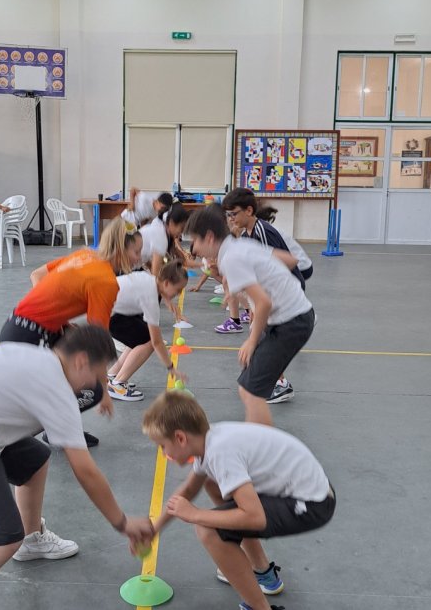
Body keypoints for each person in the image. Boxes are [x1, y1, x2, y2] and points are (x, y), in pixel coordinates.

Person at [0, 325, 154, 610]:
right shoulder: (58, 392)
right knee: (3, 539)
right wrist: (123, 523)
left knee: (34, 459)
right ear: (81, 361)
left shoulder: (30, 353)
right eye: (97, 373)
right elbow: (85, 471)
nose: (94, 384)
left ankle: (31, 541)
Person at [0, 217, 143, 447]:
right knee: (91, 390)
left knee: (43, 378)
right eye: (136, 252)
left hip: (17, 324)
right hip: (33, 336)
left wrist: (53, 315)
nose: (139, 258)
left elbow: (37, 275)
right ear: (121, 250)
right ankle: (18, 433)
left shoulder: (85, 255)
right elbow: (97, 343)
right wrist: (105, 392)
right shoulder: (106, 282)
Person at [142, 391, 335, 610]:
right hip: (305, 491)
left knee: (208, 530)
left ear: (180, 438)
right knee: (212, 483)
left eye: (162, 446)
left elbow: (254, 518)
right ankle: (262, 572)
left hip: (311, 504)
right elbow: (187, 490)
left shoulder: (220, 453)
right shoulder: (209, 439)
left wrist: (195, 514)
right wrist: (154, 529)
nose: (163, 452)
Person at [186, 203, 315, 426]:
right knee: (247, 387)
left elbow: (263, 302)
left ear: (209, 237)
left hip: (291, 322)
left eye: (195, 241)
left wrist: (252, 341)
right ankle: (258, 439)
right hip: (294, 315)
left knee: (250, 392)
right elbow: (290, 260)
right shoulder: (240, 244)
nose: (194, 249)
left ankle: (261, 444)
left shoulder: (231, 258)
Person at [218, 188, 311, 404]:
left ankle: (280, 383)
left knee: (268, 339)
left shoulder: (262, 232)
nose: (231, 219)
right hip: (272, 295)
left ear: (249, 211)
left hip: (286, 294)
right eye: (228, 215)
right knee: (263, 335)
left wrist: (260, 304)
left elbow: (280, 265)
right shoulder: (247, 234)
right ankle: (272, 380)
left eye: (234, 214)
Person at [106, 260, 189, 402]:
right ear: (167, 283)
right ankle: (117, 385)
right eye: (178, 290)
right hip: (108, 314)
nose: (179, 293)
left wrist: (168, 299)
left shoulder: (150, 279)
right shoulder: (150, 296)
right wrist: (171, 368)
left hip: (111, 310)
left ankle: (113, 375)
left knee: (141, 335)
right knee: (149, 340)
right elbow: (156, 342)